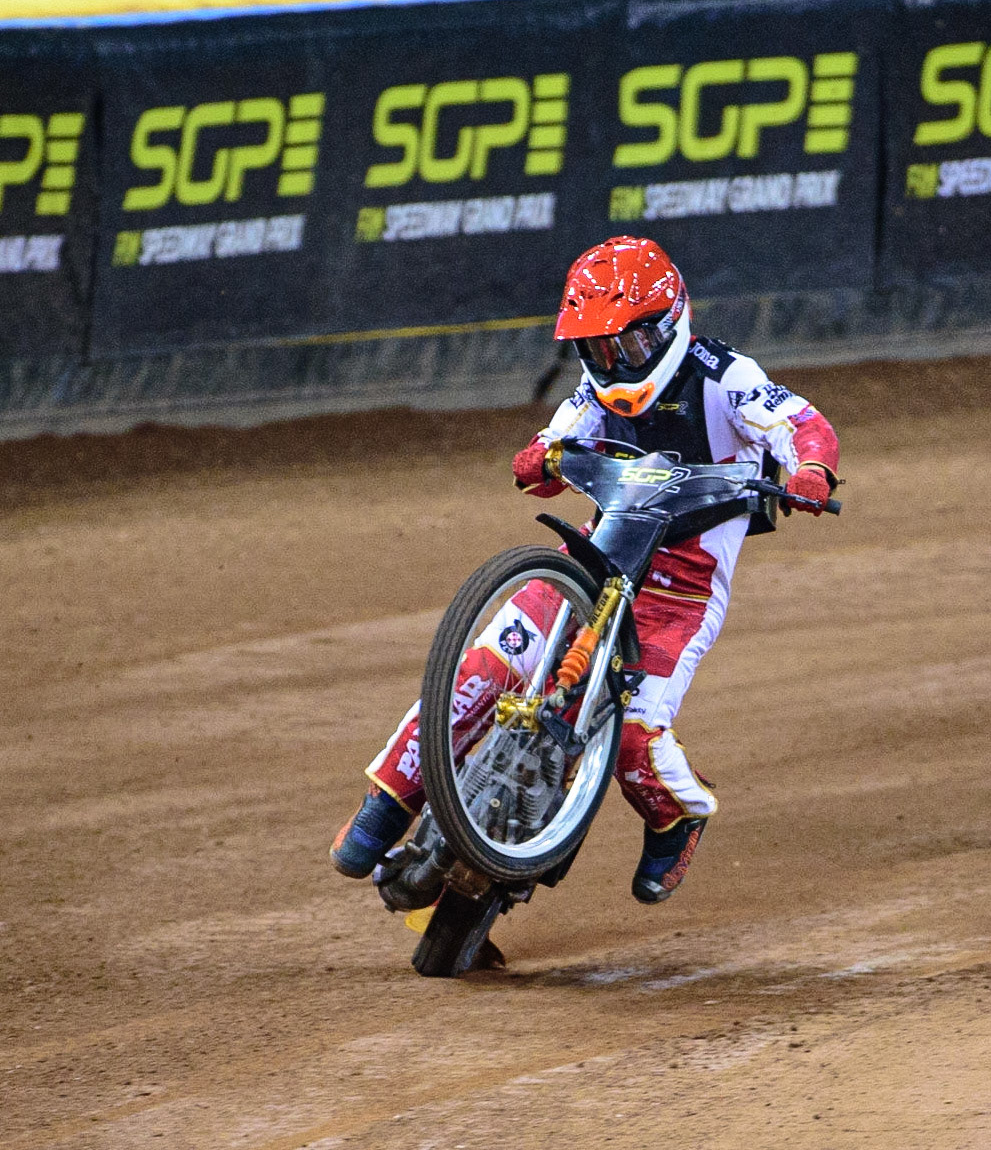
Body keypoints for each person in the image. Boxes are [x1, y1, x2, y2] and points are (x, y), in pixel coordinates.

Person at [330, 236, 840, 904]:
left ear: (666, 326)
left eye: (623, 346)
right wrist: (539, 456)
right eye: (596, 349)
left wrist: (810, 470)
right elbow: (558, 440)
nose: (610, 362)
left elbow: (801, 422)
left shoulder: (725, 374)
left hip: (680, 592)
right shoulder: (594, 387)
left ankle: (675, 814)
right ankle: (386, 804)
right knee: (482, 670)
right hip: (595, 560)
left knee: (634, 734)